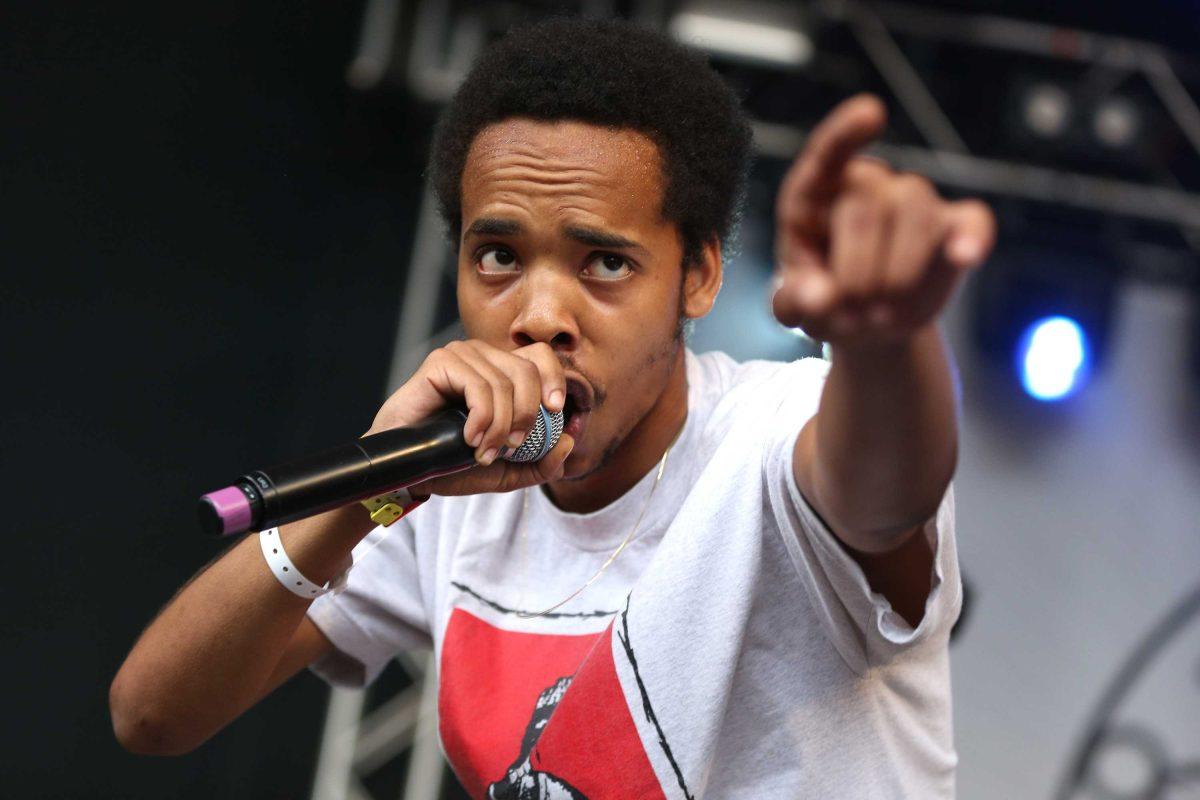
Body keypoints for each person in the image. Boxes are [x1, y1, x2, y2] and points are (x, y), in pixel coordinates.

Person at [110, 17, 995, 799]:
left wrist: (888, 341)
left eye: (604, 264)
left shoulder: (772, 433)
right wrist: (366, 493)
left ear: (698, 274)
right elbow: (153, 716)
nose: (537, 318)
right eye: (497, 256)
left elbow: (884, 497)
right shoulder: (440, 482)